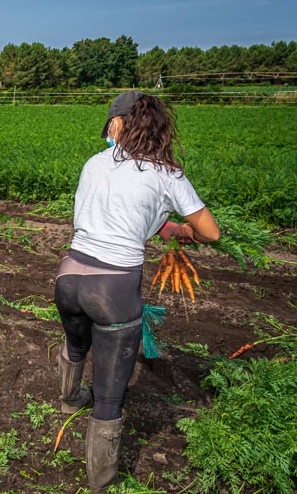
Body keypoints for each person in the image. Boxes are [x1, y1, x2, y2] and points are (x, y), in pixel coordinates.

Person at [54, 90, 220, 493]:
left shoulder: (95, 163)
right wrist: (187, 232)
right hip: (112, 290)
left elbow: (117, 213)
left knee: (77, 346)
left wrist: (166, 226)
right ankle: (101, 484)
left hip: (68, 277)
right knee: (110, 401)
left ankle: (69, 399)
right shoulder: (168, 174)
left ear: (119, 125)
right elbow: (211, 233)